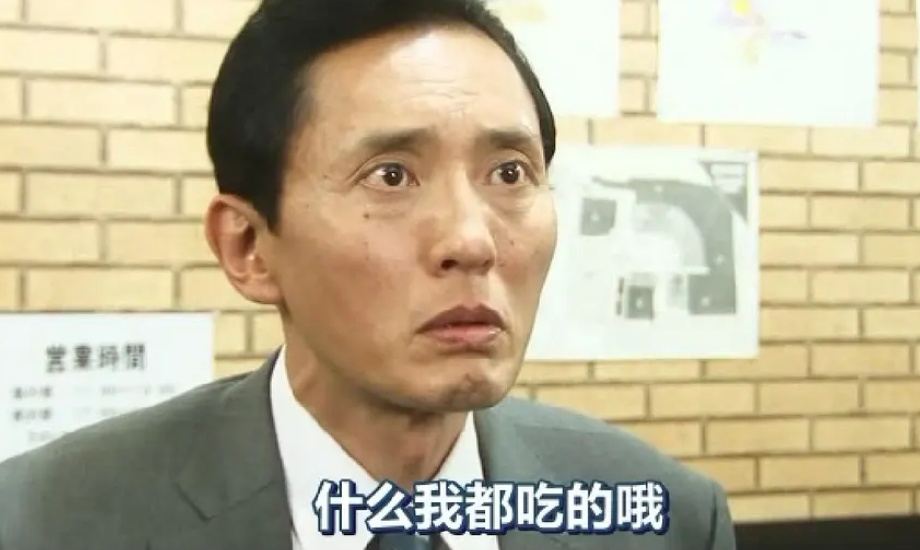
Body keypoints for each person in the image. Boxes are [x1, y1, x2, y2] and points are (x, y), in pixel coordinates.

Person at [0, 0, 737, 549]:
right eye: (391, 176)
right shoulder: (43, 522)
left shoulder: (667, 519)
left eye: (510, 173)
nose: (471, 240)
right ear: (249, 246)